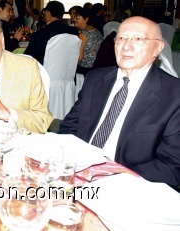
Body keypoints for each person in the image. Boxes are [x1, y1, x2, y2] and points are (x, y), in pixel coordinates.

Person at [58, 16, 180, 188]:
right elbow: (69, 127)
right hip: (75, 175)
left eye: (138, 39)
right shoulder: (95, 79)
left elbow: (172, 166)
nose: (126, 46)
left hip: (129, 187)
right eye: (121, 38)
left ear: (157, 48)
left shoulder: (174, 95)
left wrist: (113, 175)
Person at [75, 7, 103, 75]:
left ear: (86, 19)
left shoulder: (83, 34)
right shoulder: (96, 30)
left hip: (86, 69)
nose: (74, 19)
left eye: (77, 17)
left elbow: (79, 58)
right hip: (98, 66)